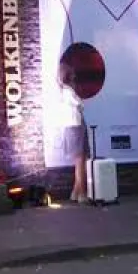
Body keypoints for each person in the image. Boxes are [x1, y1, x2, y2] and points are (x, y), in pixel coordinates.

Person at [57, 60, 88, 204]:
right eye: (73, 73)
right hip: (75, 126)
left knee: (79, 160)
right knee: (80, 160)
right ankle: (82, 193)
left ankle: (75, 193)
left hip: (73, 126)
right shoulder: (68, 92)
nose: (75, 76)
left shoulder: (64, 91)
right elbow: (80, 104)